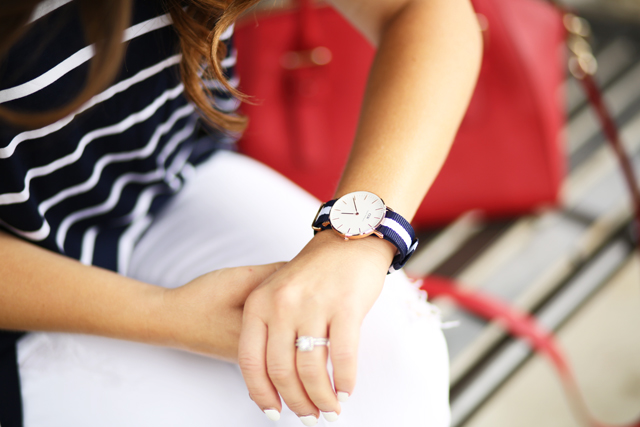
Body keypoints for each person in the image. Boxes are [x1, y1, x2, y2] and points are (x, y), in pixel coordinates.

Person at [0, 0, 482, 425]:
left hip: (171, 182)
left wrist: (355, 240)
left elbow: (418, 8)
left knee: (389, 355)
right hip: (18, 289)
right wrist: (167, 316)